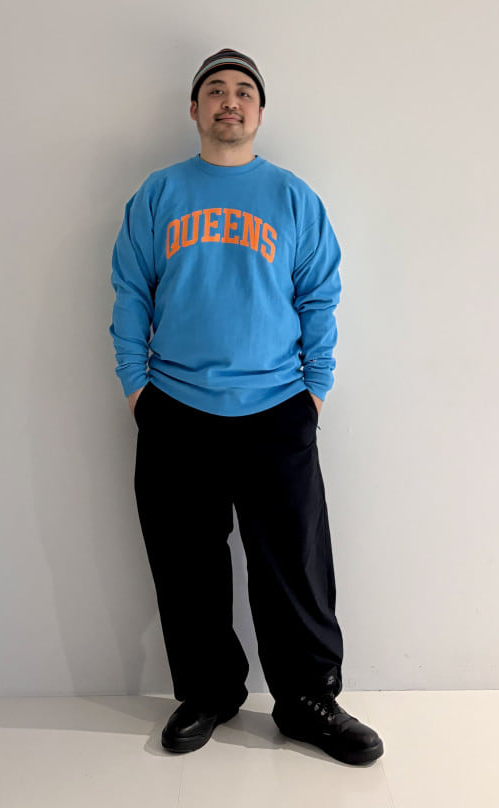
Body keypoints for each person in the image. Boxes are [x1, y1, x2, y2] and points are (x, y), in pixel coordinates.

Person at [109, 49, 383, 765]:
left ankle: (307, 699)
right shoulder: (160, 194)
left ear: (259, 112)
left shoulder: (292, 196)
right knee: (187, 564)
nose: (229, 101)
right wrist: (137, 387)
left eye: (243, 92)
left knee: (293, 563)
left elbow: (319, 296)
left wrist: (314, 390)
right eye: (215, 90)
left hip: (277, 406)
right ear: (194, 109)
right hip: (175, 406)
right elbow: (131, 290)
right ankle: (208, 692)